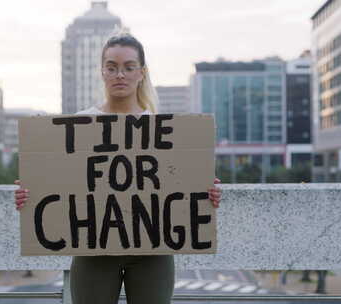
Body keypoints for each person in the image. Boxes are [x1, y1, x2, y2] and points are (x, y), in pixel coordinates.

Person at [15, 31, 222, 304]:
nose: (119, 75)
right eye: (111, 67)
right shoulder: (80, 124)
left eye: (128, 67)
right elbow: (60, 187)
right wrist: (31, 194)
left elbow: (181, 189)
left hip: (153, 251)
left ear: (141, 73)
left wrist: (206, 191)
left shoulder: (164, 130)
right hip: (94, 251)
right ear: (102, 72)